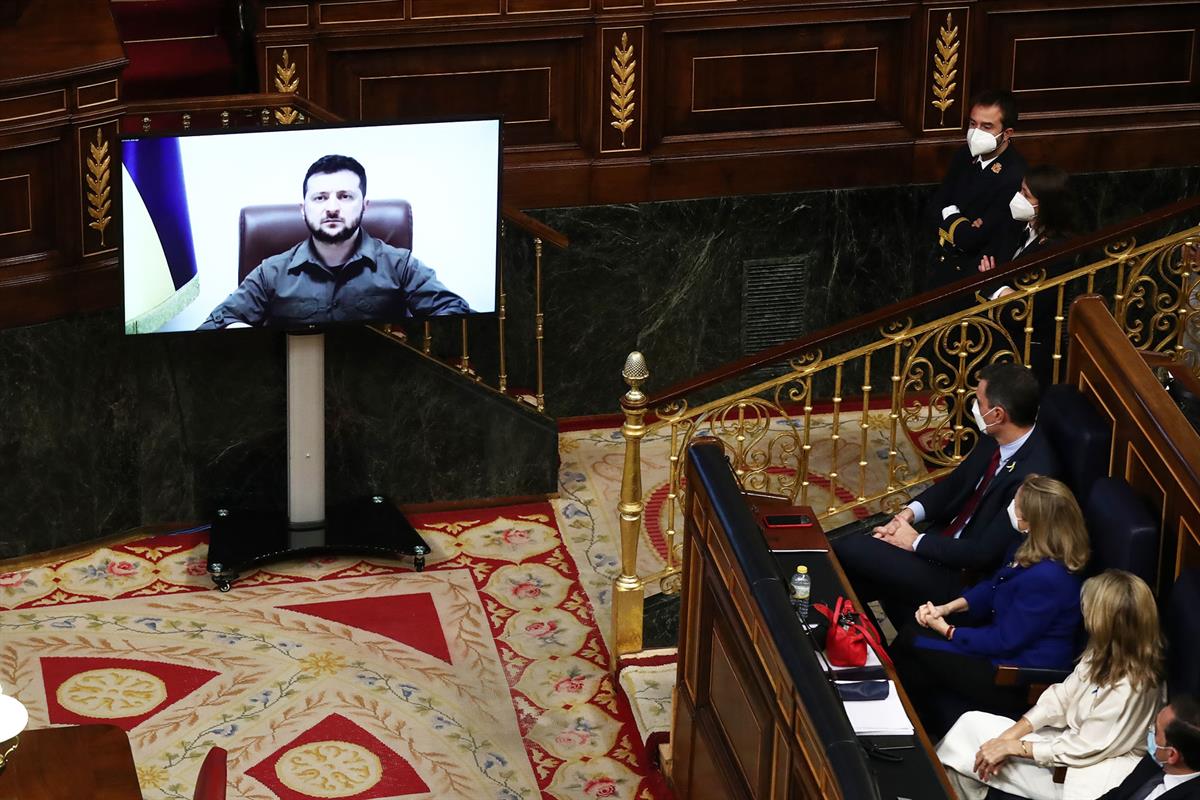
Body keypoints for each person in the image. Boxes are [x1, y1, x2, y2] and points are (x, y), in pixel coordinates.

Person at [832, 362, 1061, 628]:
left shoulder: (1033, 478)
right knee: (853, 572)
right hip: (940, 542)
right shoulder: (996, 435)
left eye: (979, 402)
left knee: (849, 548)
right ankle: (858, 639)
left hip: (962, 578)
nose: (975, 408)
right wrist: (906, 516)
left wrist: (914, 541)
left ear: (998, 414)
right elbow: (956, 484)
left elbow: (983, 553)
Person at [892, 474, 1090, 739]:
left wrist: (947, 630)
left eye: (1016, 505)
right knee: (914, 643)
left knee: (913, 640)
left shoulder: (1049, 579)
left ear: (1032, 522)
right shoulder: (1028, 543)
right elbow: (994, 586)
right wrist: (946, 609)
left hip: (1013, 675)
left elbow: (1004, 641)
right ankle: (905, 722)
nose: (1010, 508)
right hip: (999, 646)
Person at [937, 570, 1163, 800]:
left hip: (1090, 769)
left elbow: (1087, 747)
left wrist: (1015, 748)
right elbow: (1061, 698)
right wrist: (1008, 737)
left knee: (966, 756)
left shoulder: (1135, 686)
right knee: (969, 727)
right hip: (1066, 742)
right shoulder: (1102, 650)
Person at [199, 154, 469, 329]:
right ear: (303, 209)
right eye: (320, 198)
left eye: (344, 196)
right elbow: (213, 326)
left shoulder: (399, 265)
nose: (331, 208)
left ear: (364, 206)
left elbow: (457, 314)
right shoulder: (271, 272)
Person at [926, 90, 1028, 288]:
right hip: (940, 260)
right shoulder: (964, 155)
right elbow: (935, 206)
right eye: (973, 124)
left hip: (970, 273)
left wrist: (949, 213)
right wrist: (958, 221)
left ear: (1007, 133)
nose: (976, 132)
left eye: (987, 127)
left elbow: (973, 239)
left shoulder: (1014, 175)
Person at [978, 166, 1080, 273]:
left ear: (1046, 204)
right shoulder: (1015, 221)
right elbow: (989, 254)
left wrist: (992, 278)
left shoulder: (1058, 249)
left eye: (1026, 195)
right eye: (1021, 189)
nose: (1018, 197)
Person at [1098, 695, 1200, 799]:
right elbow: (1120, 794)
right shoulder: (1155, 759)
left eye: (1156, 731)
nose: (1150, 730)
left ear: (1171, 755)